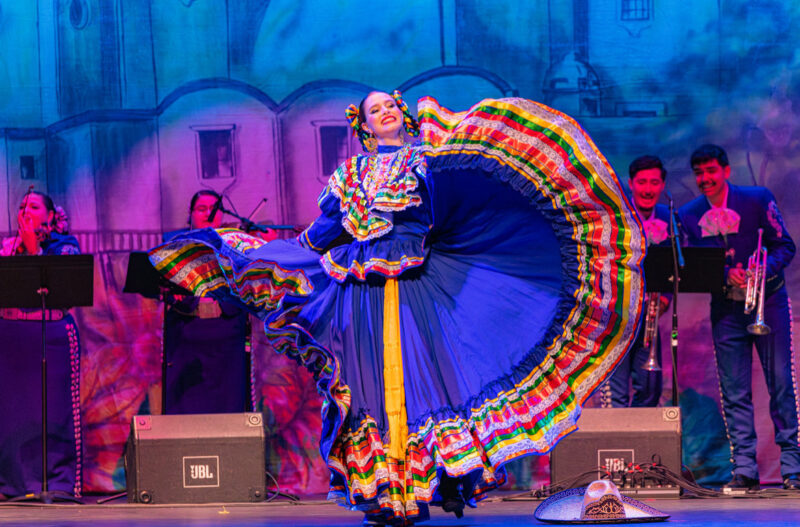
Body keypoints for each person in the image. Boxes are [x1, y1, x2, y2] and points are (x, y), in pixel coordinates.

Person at [150, 91, 645, 524]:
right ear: (362, 125)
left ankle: (430, 483)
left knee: (422, 384)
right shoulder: (349, 174)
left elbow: (450, 206)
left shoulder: (427, 160)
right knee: (367, 387)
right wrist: (276, 255)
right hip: (360, 293)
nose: (385, 112)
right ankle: (386, 491)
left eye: (390, 106)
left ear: (402, 116)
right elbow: (323, 234)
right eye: (375, 110)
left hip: (418, 287)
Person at [678, 144, 800, 491]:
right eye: (699, 173)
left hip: (769, 300)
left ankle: (793, 466)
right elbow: (693, 268)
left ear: (726, 171)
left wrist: (760, 270)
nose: (705, 179)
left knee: (780, 385)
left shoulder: (757, 198)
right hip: (727, 309)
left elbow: (785, 246)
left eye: (711, 171)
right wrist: (723, 275)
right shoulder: (688, 214)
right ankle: (744, 467)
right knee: (734, 391)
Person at [0, 190, 82, 499]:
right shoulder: (7, 248)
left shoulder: (65, 248)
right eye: (22, 206)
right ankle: (11, 485)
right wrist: (19, 247)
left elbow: (66, 294)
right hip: (10, 339)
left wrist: (34, 249)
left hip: (51, 338)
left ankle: (56, 482)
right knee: (10, 414)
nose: (26, 210)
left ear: (50, 216)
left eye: (34, 206)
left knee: (52, 411)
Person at [161, 190, 250, 414]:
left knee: (228, 407)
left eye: (214, 209)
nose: (209, 214)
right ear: (190, 213)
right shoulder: (174, 243)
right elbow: (160, 284)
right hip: (188, 330)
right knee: (187, 407)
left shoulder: (235, 245)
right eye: (202, 209)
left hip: (226, 332)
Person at [604, 156, 671, 408]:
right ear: (631, 184)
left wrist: (665, 298)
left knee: (650, 388)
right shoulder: (615, 217)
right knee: (616, 394)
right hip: (617, 316)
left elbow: (675, 267)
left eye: (654, 182)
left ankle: (639, 445)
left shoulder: (669, 218)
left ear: (662, 185)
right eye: (642, 182)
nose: (648, 189)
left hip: (650, 316)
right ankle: (615, 445)